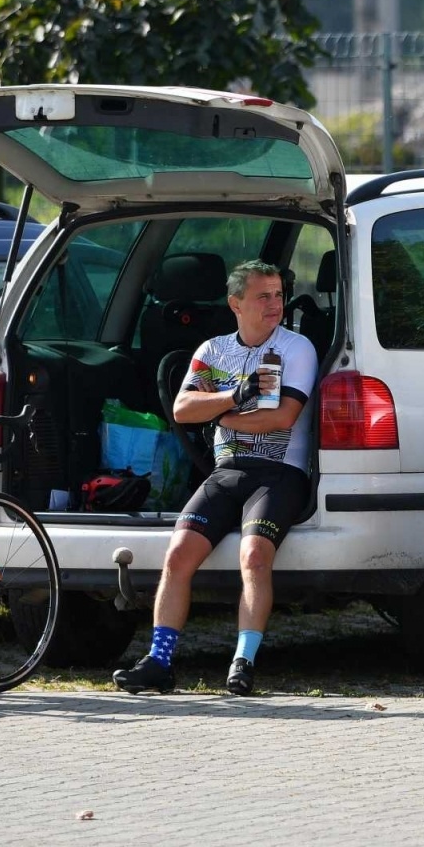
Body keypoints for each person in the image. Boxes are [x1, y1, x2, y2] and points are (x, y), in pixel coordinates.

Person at [113, 260, 318, 697]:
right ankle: (159, 662)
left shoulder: (296, 347)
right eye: (263, 296)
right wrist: (236, 395)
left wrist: (220, 415)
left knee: (254, 555)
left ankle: (242, 663)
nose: (275, 304)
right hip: (226, 472)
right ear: (235, 303)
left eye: (279, 295)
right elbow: (183, 409)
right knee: (178, 554)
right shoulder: (212, 349)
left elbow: (282, 418)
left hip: (279, 473)